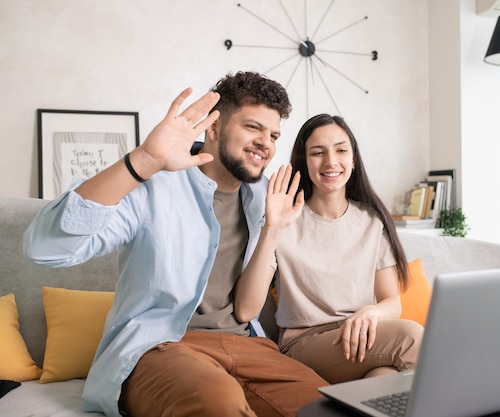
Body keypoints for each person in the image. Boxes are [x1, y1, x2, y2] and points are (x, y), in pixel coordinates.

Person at [23, 71, 328, 417]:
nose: (266, 143)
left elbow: (248, 309)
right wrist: (144, 161)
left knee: (329, 405)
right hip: (159, 347)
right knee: (218, 404)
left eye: (273, 134)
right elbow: (45, 249)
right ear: (214, 128)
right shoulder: (155, 186)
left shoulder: (267, 197)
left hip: (246, 345)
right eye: (252, 127)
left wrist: (274, 229)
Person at [264, 114, 424, 384]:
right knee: (411, 338)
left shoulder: (372, 220)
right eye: (318, 152)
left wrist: (370, 312)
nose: (331, 161)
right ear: (304, 160)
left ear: (353, 159)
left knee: (382, 379)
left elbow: (391, 301)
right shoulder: (284, 218)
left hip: (365, 335)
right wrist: (272, 228)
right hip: (306, 344)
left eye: (341, 150)